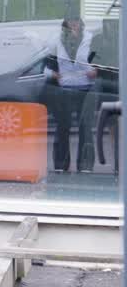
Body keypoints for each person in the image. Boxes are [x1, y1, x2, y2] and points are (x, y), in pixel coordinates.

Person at [42, 17, 100, 173]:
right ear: (65, 25)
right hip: (64, 90)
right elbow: (44, 68)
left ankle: (85, 166)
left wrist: (96, 71)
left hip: (86, 89)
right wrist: (54, 75)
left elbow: (103, 63)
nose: (74, 24)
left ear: (81, 23)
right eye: (70, 21)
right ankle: (61, 165)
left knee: (85, 128)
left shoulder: (90, 39)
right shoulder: (57, 41)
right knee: (62, 127)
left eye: (76, 21)